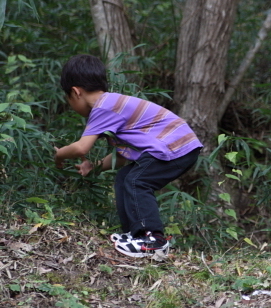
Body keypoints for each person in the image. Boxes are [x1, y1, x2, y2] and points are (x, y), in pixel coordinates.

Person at [54, 54, 203, 258]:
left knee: (137, 181)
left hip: (176, 146)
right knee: (125, 176)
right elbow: (125, 156)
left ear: (75, 92)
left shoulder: (103, 107)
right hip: (179, 146)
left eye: (69, 99)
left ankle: (153, 240)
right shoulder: (113, 105)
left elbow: (81, 148)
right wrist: (94, 166)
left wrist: (59, 156)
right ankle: (134, 235)